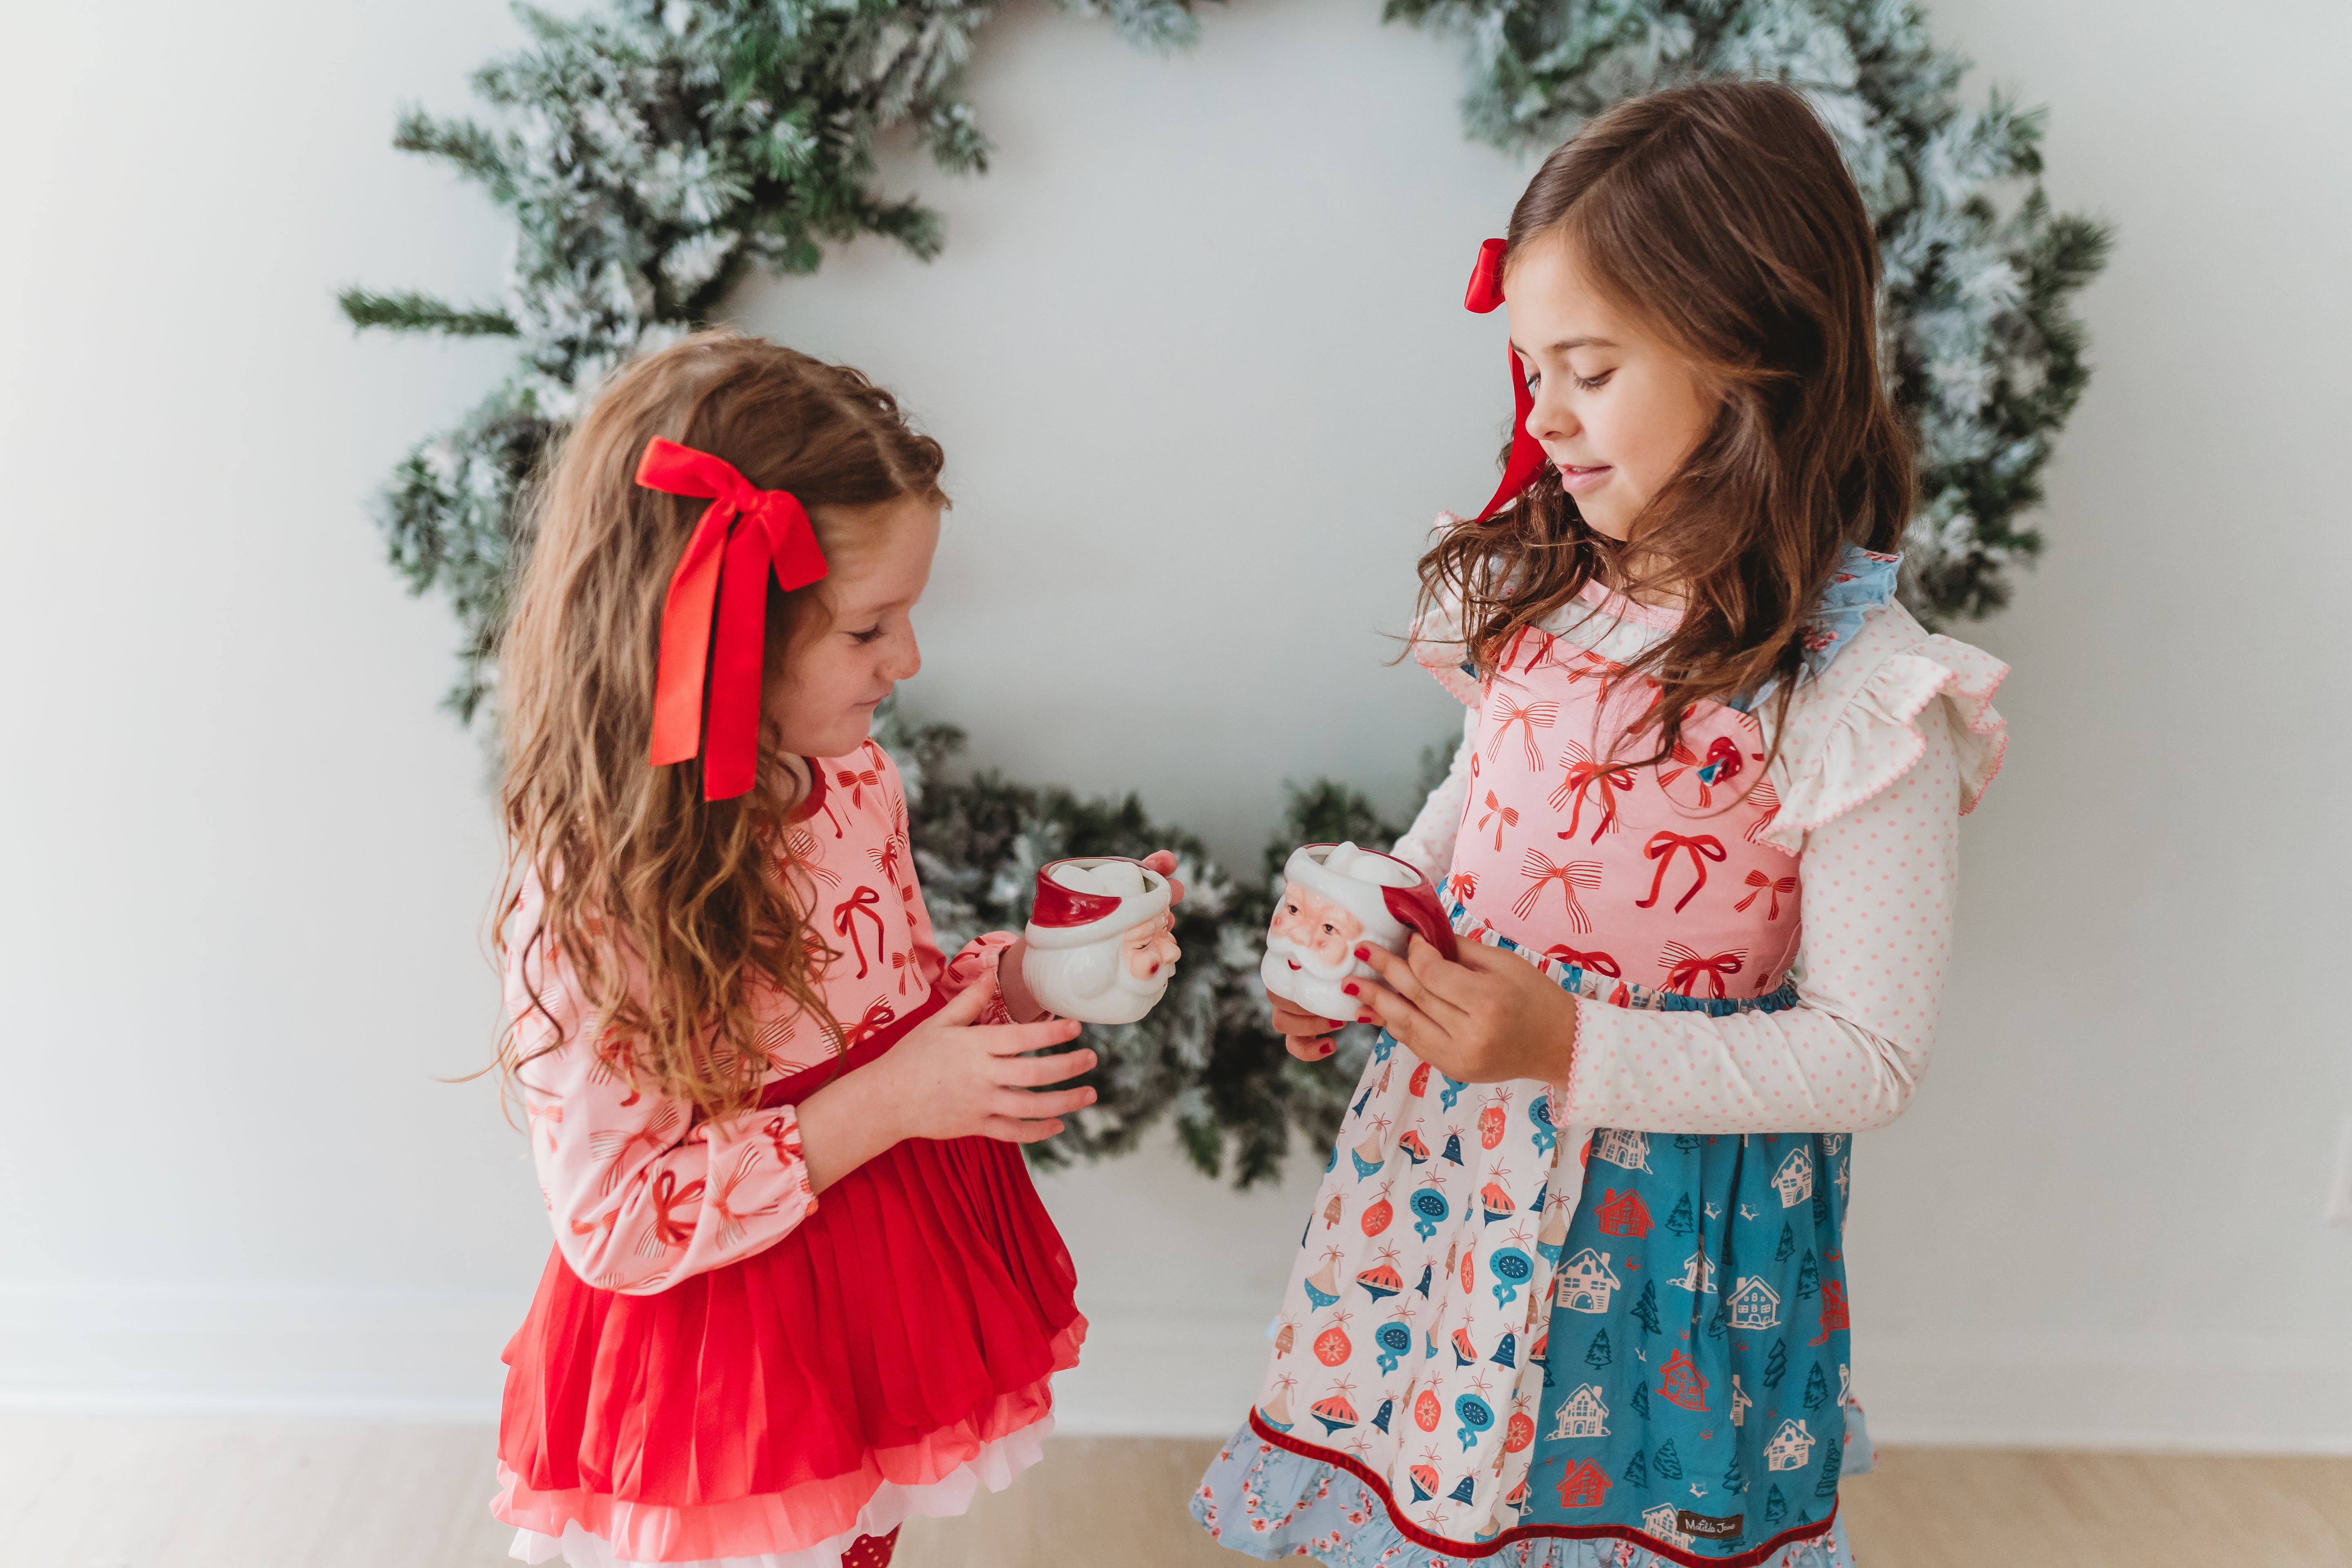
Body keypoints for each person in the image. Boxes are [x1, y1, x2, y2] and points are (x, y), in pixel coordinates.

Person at [1195, 80, 2008, 1566]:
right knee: (1434, 1513)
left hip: (1663, 1250)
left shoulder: (1863, 694)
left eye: (1587, 368)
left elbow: (1870, 1053)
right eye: (1527, 370)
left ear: (1752, 359)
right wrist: (1377, 931)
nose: (1543, 416)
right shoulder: (1548, 593)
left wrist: (1566, 1049)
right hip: (1448, 1181)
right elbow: (1482, 797)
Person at [487, 332, 1181, 1568]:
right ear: (716, 633)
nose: (907, 662)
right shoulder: (596, 891)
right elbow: (617, 1222)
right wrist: (896, 1102)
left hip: (858, 1297)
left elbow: (890, 1001)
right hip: (718, 1369)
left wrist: (1041, 976)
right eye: (870, 630)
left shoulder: (851, 781)